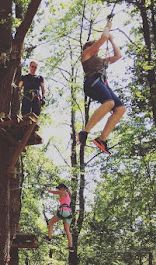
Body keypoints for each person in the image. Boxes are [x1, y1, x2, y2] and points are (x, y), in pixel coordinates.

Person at [77, 19, 126, 155]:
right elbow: (103, 38)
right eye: (93, 46)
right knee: (109, 102)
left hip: (102, 83)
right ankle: (84, 132)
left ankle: (102, 139)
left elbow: (118, 56)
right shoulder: (86, 55)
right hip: (92, 81)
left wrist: (111, 39)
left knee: (120, 109)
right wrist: (108, 27)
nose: (96, 48)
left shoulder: (102, 60)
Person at [43, 183, 74, 252]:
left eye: (59, 188)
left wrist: (46, 187)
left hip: (63, 211)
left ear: (62, 188)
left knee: (51, 222)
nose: (58, 190)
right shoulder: (68, 195)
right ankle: (71, 246)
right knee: (67, 230)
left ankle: (49, 237)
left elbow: (50, 191)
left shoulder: (62, 191)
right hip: (69, 213)